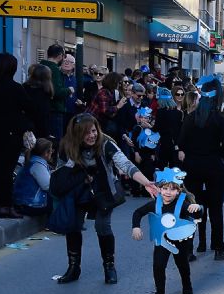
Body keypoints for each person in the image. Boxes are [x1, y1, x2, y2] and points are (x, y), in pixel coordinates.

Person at [54, 113, 158, 284]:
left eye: (94, 130)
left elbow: (125, 164)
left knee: (102, 226)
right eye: (86, 133)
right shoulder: (67, 146)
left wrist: (146, 182)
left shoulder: (105, 144)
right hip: (79, 190)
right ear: (77, 134)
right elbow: (61, 173)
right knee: (72, 226)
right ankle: (73, 267)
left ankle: (109, 266)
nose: (91, 135)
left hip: (104, 189)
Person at [130, 168, 202, 294]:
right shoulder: (155, 203)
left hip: (179, 241)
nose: (168, 192)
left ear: (178, 191)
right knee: (158, 265)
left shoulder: (182, 204)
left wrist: (197, 208)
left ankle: (187, 285)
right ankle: (160, 293)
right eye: (165, 188)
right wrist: (136, 227)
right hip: (161, 241)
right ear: (159, 189)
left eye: (172, 189)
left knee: (182, 264)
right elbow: (138, 212)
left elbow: (197, 215)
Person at [0, 53, 36, 219]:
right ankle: (6, 205)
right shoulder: (15, 88)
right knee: (7, 171)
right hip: (11, 133)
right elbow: (30, 108)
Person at [178, 90, 224, 260]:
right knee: (216, 209)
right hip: (213, 166)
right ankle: (218, 248)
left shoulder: (190, 118)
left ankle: (189, 249)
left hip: (192, 166)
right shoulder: (220, 120)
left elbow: (181, 142)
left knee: (193, 206)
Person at [41, 44, 68, 142]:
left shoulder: (39, 67)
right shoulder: (54, 69)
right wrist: (69, 90)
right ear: (60, 55)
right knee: (56, 141)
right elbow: (57, 92)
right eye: (64, 56)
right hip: (55, 110)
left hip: (42, 109)